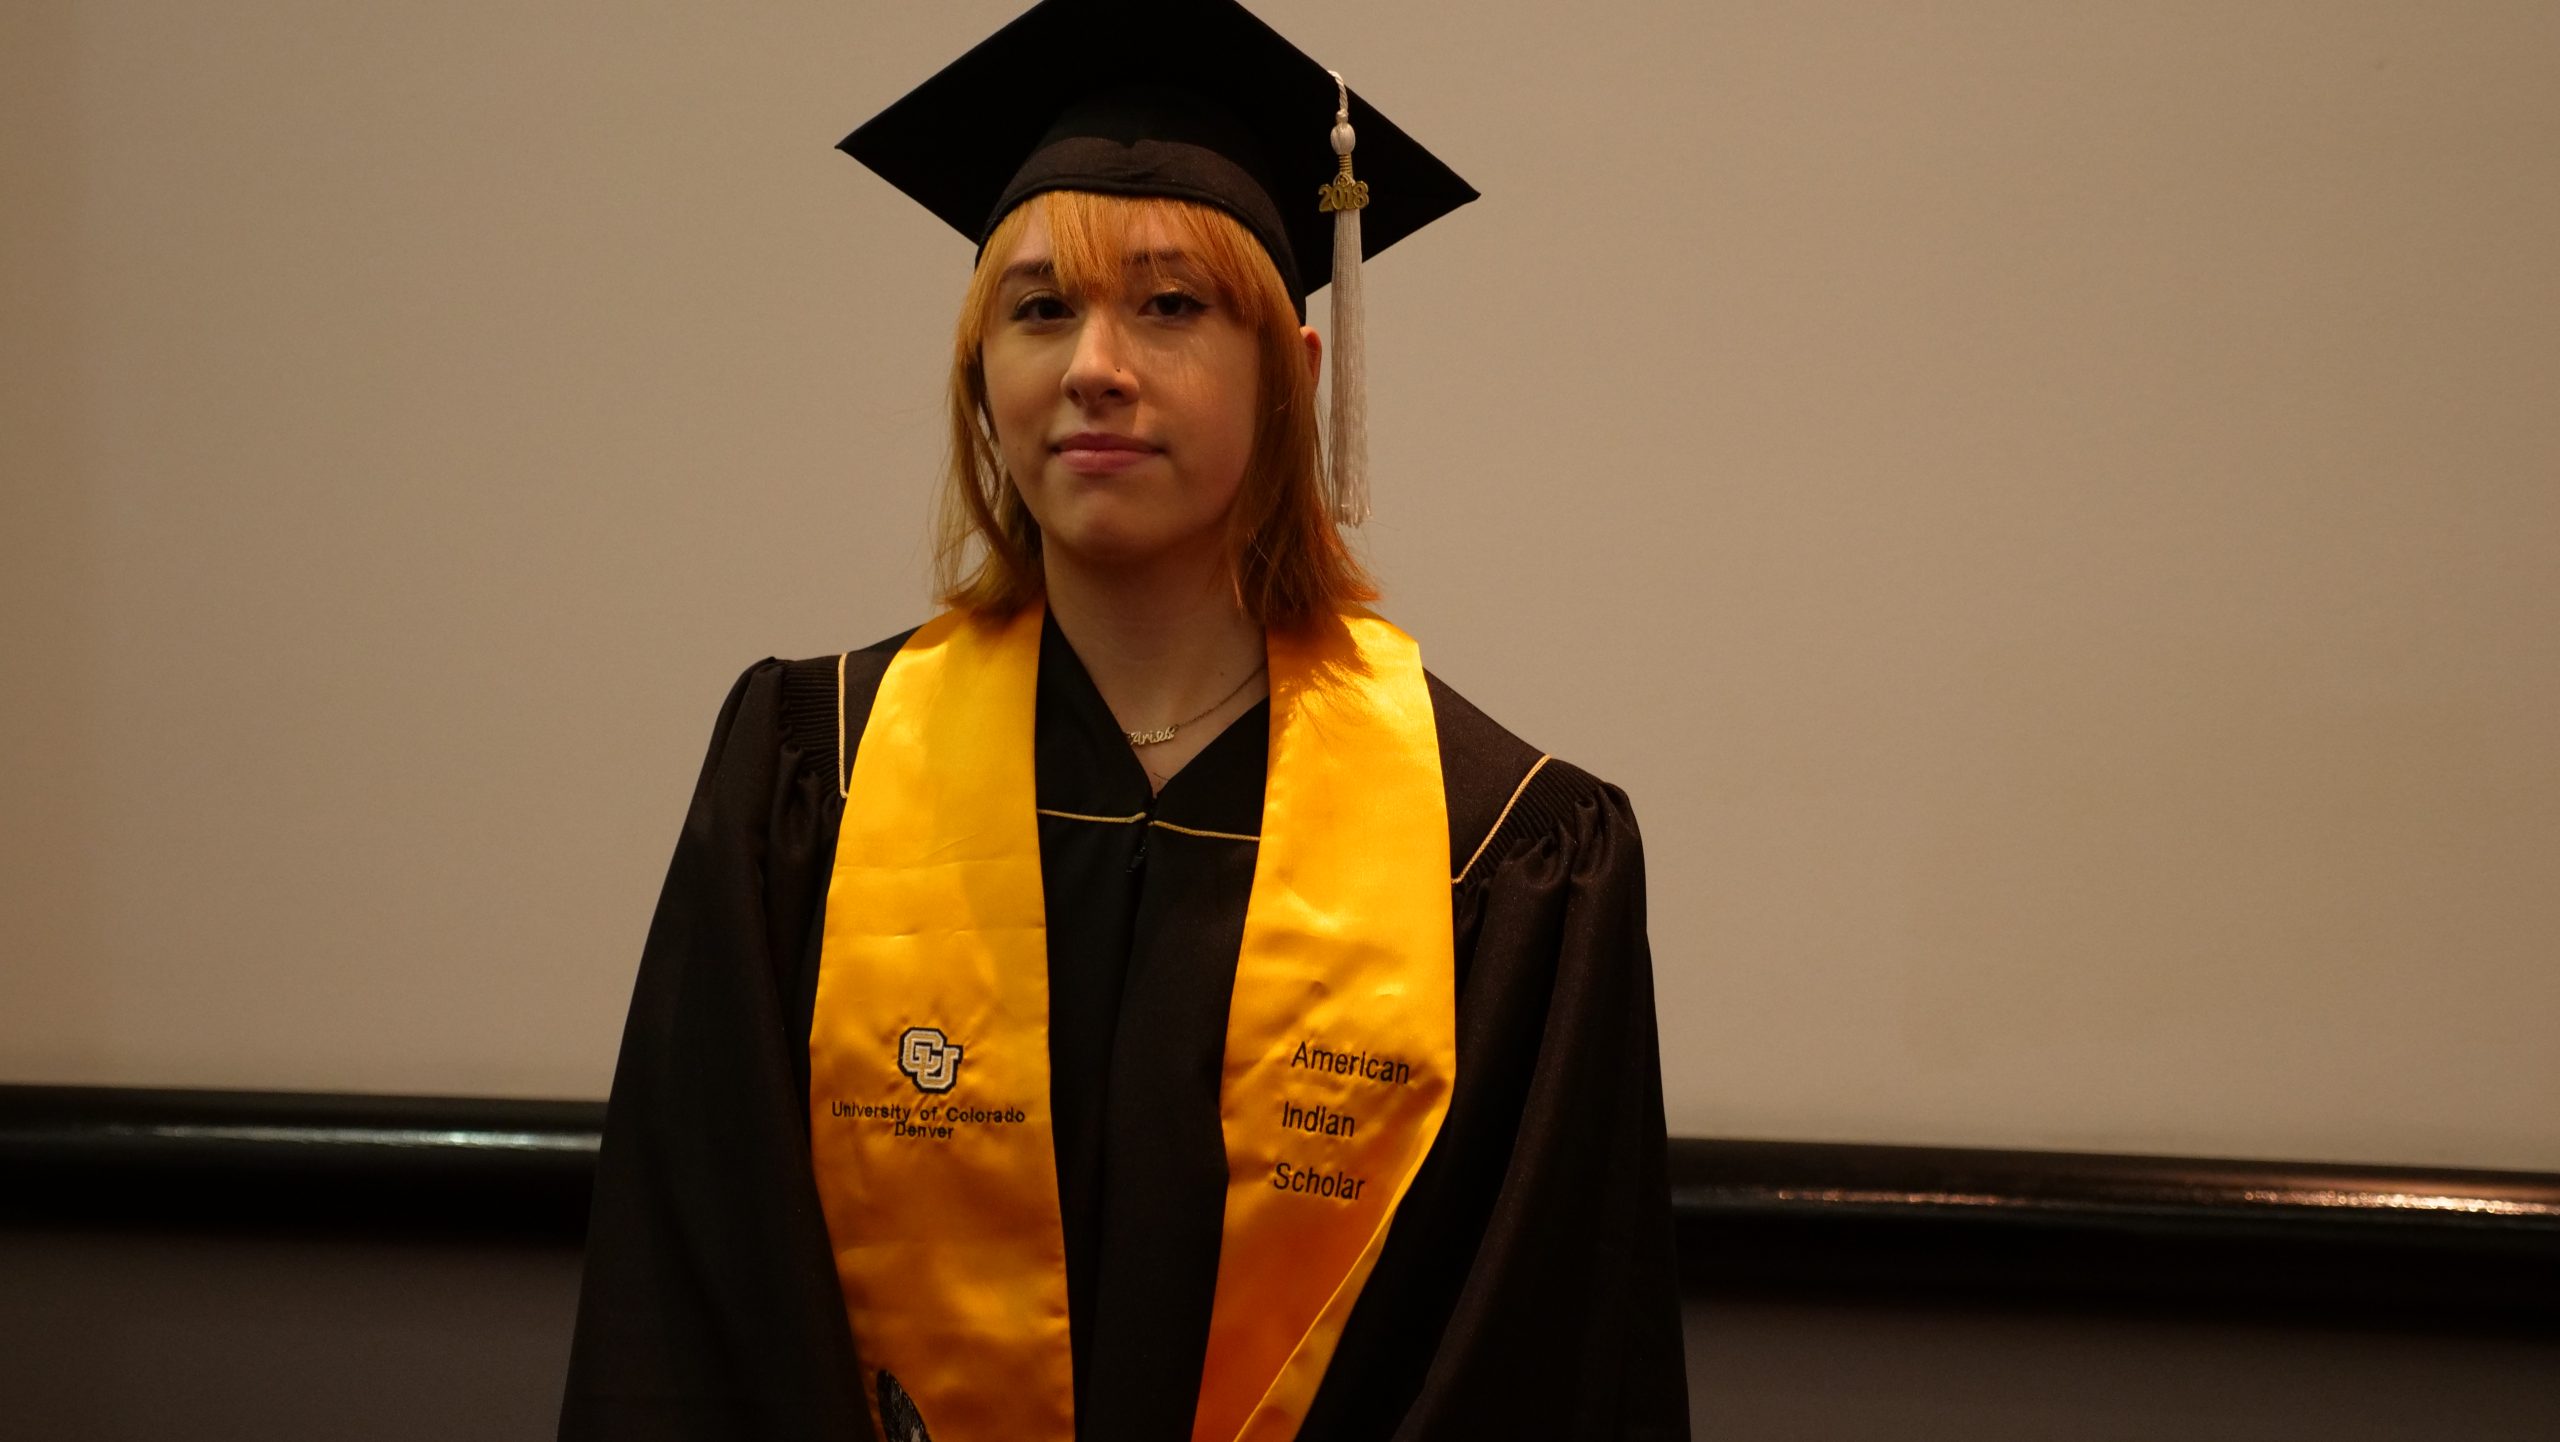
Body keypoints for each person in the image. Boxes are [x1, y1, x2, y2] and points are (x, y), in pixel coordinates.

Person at [559, 1, 1687, 1438]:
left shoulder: (1501, 854)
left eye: (1169, 304)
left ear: (1293, 379)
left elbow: (1541, 1367)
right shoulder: (812, 781)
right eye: (1039, 308)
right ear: (983, 376)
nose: (1095, 362)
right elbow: (696, 1320)